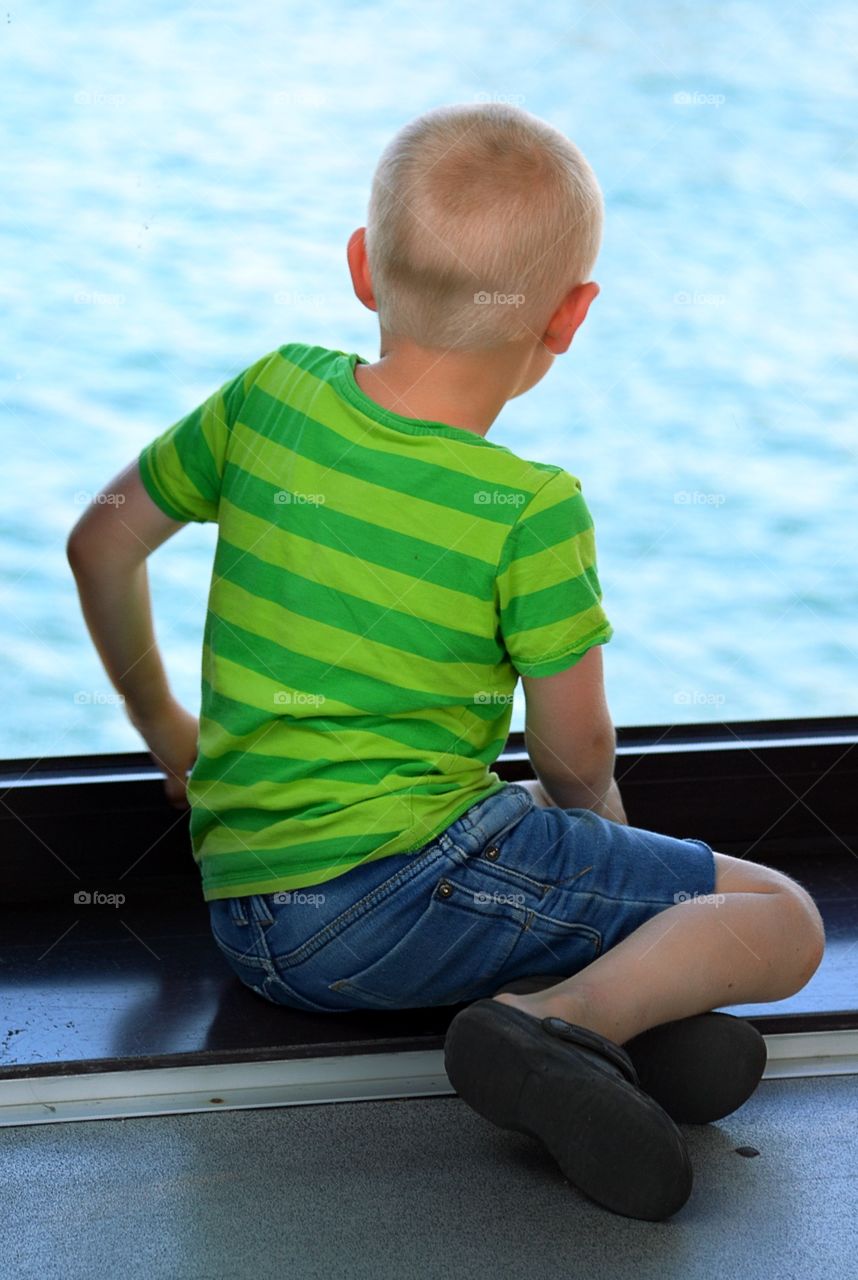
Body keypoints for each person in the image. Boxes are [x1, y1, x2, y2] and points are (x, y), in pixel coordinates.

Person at [67, 102, 825, 1221]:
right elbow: (576, 760)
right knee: (783, 919)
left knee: (526, 838)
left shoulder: (270, 394)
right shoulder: (530, 509)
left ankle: (606, 1037)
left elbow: (100, 543)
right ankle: (562, 1024)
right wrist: (618, 872)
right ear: (569, 318)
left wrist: (168, 731)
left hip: (250, 916)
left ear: (362, 267)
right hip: (392, 897)